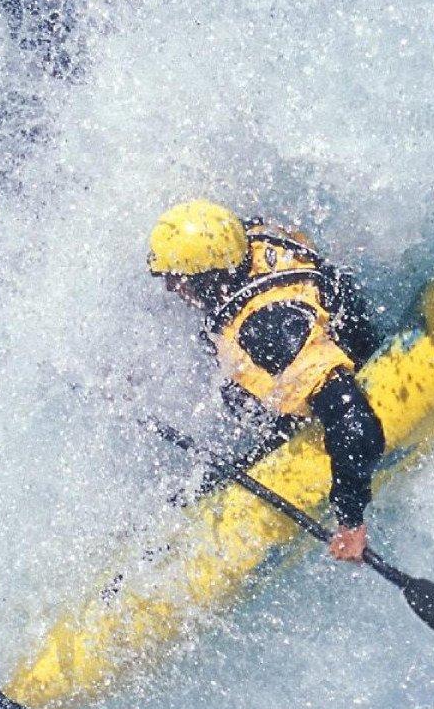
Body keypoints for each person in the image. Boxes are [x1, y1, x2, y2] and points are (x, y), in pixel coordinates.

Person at [147, 199, 386, 562]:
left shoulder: (268, 331)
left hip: (336, 387)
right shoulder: (249, 239)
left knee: (205, 481)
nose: (170, 289)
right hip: (327, 330)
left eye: (176, 280)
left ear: (207, 280)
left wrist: (350, 521)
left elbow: (355, 424)